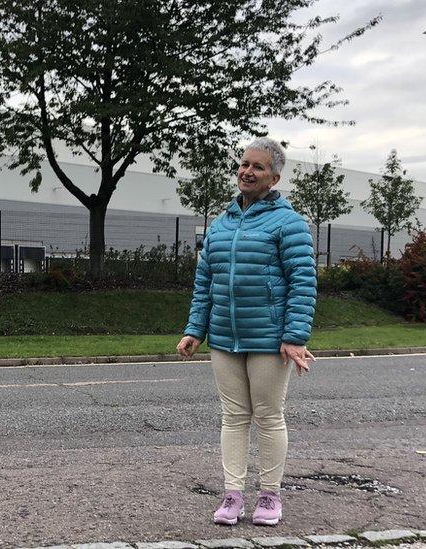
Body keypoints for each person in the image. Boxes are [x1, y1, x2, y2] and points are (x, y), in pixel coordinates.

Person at [176, 137, 317, 527]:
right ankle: (233, 495)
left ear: (274, 177)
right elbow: (206, 280)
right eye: (243, 164)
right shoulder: (221, 223)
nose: (246, 171)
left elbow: (302, 281)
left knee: (269, 417)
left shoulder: (288, 223)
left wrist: (294, 336)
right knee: (234, 417)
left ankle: (270, 496)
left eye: (257, 167)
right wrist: (195, 330)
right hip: (224, 338)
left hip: (269, 340)